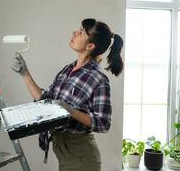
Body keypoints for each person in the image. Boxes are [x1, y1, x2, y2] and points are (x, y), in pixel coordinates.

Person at [11, 18, 124, 171]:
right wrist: (24, 73)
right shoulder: (67, 70)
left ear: (90, 46)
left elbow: (103, 123)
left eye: (81, 32)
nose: (74, 32)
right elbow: (46, 101)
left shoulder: (98, 79)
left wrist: (70, 110)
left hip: (81, 157)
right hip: (63, 152)